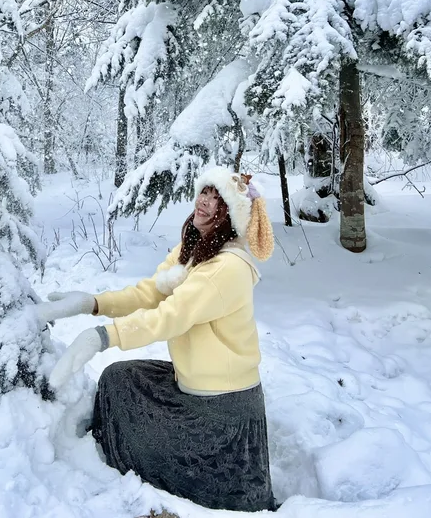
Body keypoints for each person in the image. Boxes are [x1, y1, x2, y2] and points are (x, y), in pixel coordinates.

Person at [34, 166, 277, 513]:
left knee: (141, 435)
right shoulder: (195, 251)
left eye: (217, 201)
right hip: (190, 383)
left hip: (221, 409)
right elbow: (150, 292)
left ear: (230, 218)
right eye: (204, 193)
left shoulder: (227, 268)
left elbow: (170, 316)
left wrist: (105, 337)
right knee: (119, 379)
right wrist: (94, 303)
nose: (204, 202)